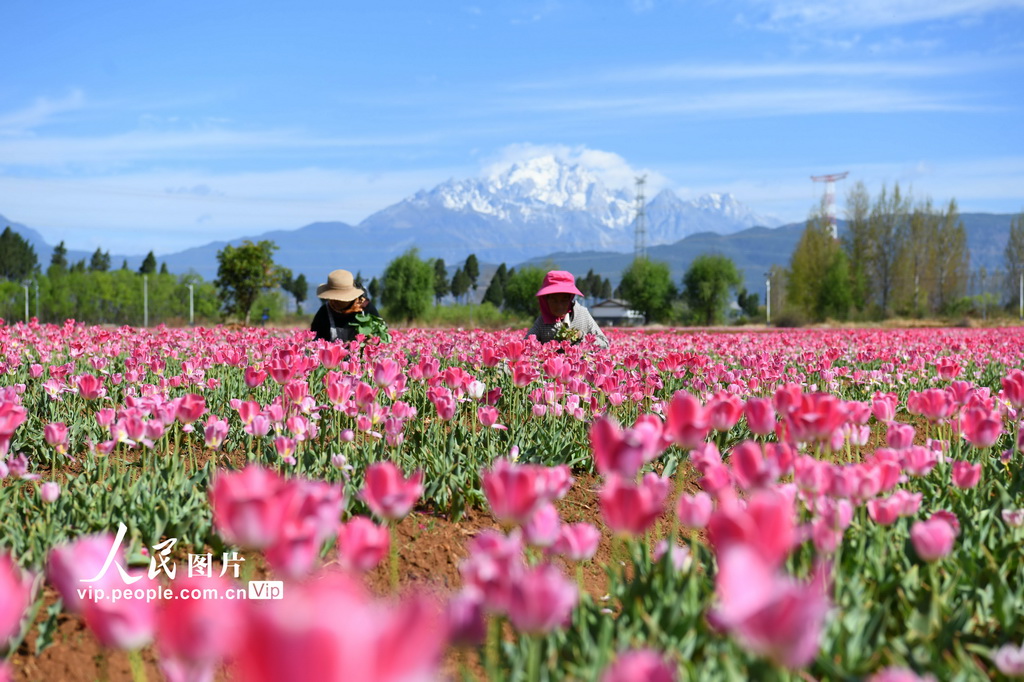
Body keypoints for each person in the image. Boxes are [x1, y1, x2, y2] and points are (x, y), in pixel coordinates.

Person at [525, 270, 609, 349]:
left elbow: (604, 343)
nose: (559, 306)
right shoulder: (542, 321)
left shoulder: (582, 315)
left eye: (564, 300)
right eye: (554, 301)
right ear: (546, 300)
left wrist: (581, 336)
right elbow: (525, 344)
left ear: (570, 298)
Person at [310, 269, 387, 342]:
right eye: (332, 298)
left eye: (339, 299)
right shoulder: (324, 312)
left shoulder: (365, 307)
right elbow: (314, 339)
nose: (334, 301)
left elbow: (381, 334)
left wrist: (374, 341)